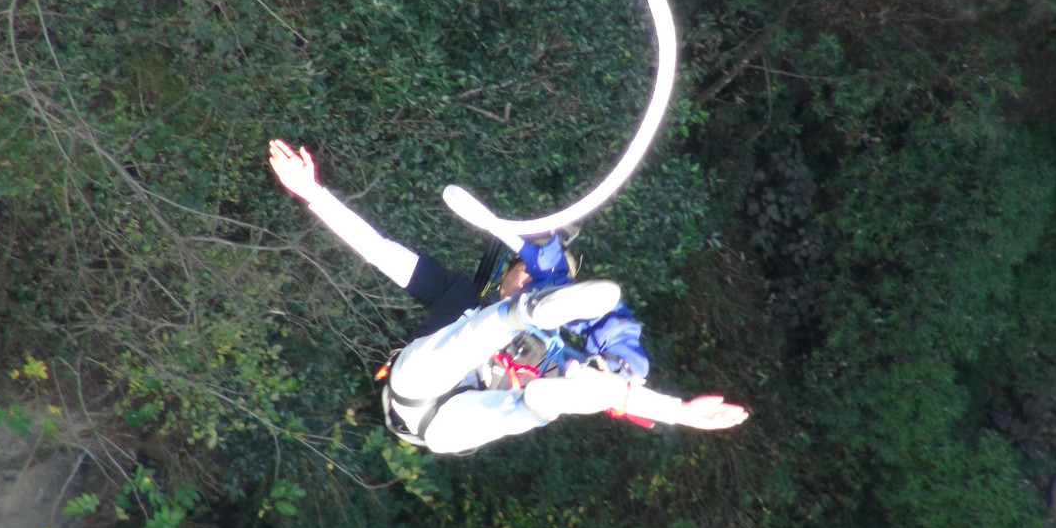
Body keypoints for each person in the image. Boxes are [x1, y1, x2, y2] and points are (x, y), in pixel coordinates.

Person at [269, 139, 747, 454]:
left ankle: (541, 401)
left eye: (536, 283)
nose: (527, 276)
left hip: (442, 424)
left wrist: (680, 413)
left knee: (539, 400)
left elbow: (618, 395)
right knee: (474, 336)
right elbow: (378, 250)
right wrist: (314, 193)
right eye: (525, 276)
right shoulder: (453, 291)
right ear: (504, 274)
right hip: (419, 379)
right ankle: (525, 316)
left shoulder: (552, 348)